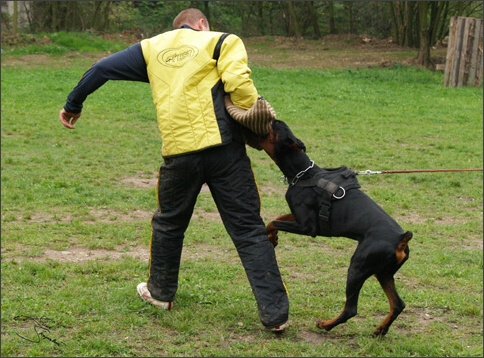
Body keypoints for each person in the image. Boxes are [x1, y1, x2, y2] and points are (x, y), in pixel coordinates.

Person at [59, 8, 289, 332]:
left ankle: (160, 293)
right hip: (226, 152)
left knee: (168, 225)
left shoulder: (151, 49)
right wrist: (255, 117)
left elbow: (101, 69)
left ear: (177, 27)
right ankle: (275, 316)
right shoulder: (222, 40)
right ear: (202, 24)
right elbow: (239, 85)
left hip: (179, 154)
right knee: (248, 229)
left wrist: (73, 105)